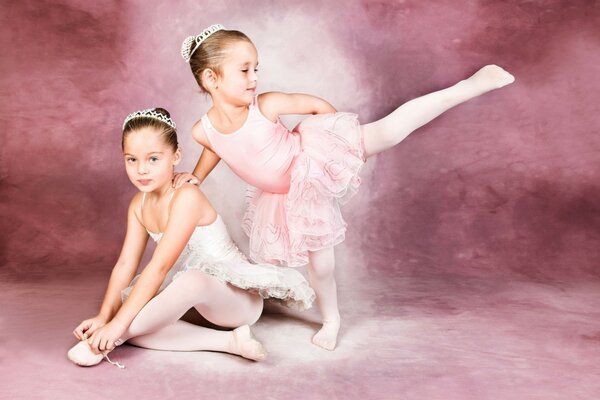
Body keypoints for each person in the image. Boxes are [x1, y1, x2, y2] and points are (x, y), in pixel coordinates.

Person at [174, 24, 515, 350]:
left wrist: (336, 146)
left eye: (256, 69)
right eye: (245, 71)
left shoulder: (267, 105)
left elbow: (317, 107)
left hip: (307, 168)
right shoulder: (202, 130)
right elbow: (215, 148)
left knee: (390, 131)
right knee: (317, 265)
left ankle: (470, 85)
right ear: (211, 79)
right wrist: (197, 176)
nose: (255, 78)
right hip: (284, 197)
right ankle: (324, 316)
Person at [67, 107, 315, 367]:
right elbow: (125, 264)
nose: (142, 170)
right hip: (195, 309)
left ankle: (103, 342)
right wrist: (104, 315)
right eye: (132, 159)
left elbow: (160, 266)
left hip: (236, 300)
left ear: (175, 156)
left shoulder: (186, 196)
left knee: (185, 284)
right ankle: (230, 343)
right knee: (133, 316)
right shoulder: (138, 206)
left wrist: (115, 325)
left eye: (153, 159)